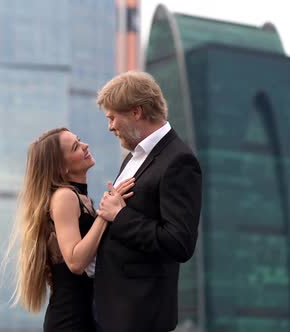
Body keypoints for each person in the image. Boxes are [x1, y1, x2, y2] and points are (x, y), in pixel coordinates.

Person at [93, 71, 203, 332]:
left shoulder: (179, 161)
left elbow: (179, 242)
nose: (110, 126)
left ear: (136, 112)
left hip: (140, 316)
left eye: (112, 117)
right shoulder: (133, 158)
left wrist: (120, 216)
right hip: (113, 313)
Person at [8, 127, 135, 332]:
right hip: (71, 320)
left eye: (80, 140)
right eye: (76, 147)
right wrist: (104, 215)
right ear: (62, 168)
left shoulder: (82, 199)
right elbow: (75, 262)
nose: (85, 146)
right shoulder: (64, 197)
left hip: (86, 316)